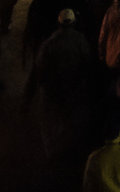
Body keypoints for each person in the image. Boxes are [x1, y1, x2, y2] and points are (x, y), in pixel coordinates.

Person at [26, 9, 93, 157]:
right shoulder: (81, 40)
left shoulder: (50, 43)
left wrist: (40, 85)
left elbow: (40, 67)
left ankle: (52, 150)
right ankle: (70, 147)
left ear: (58, 23)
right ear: (74, 23)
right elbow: (87, 63)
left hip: (53, 88)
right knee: (70, 118)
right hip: (73, 88)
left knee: (50, 120)